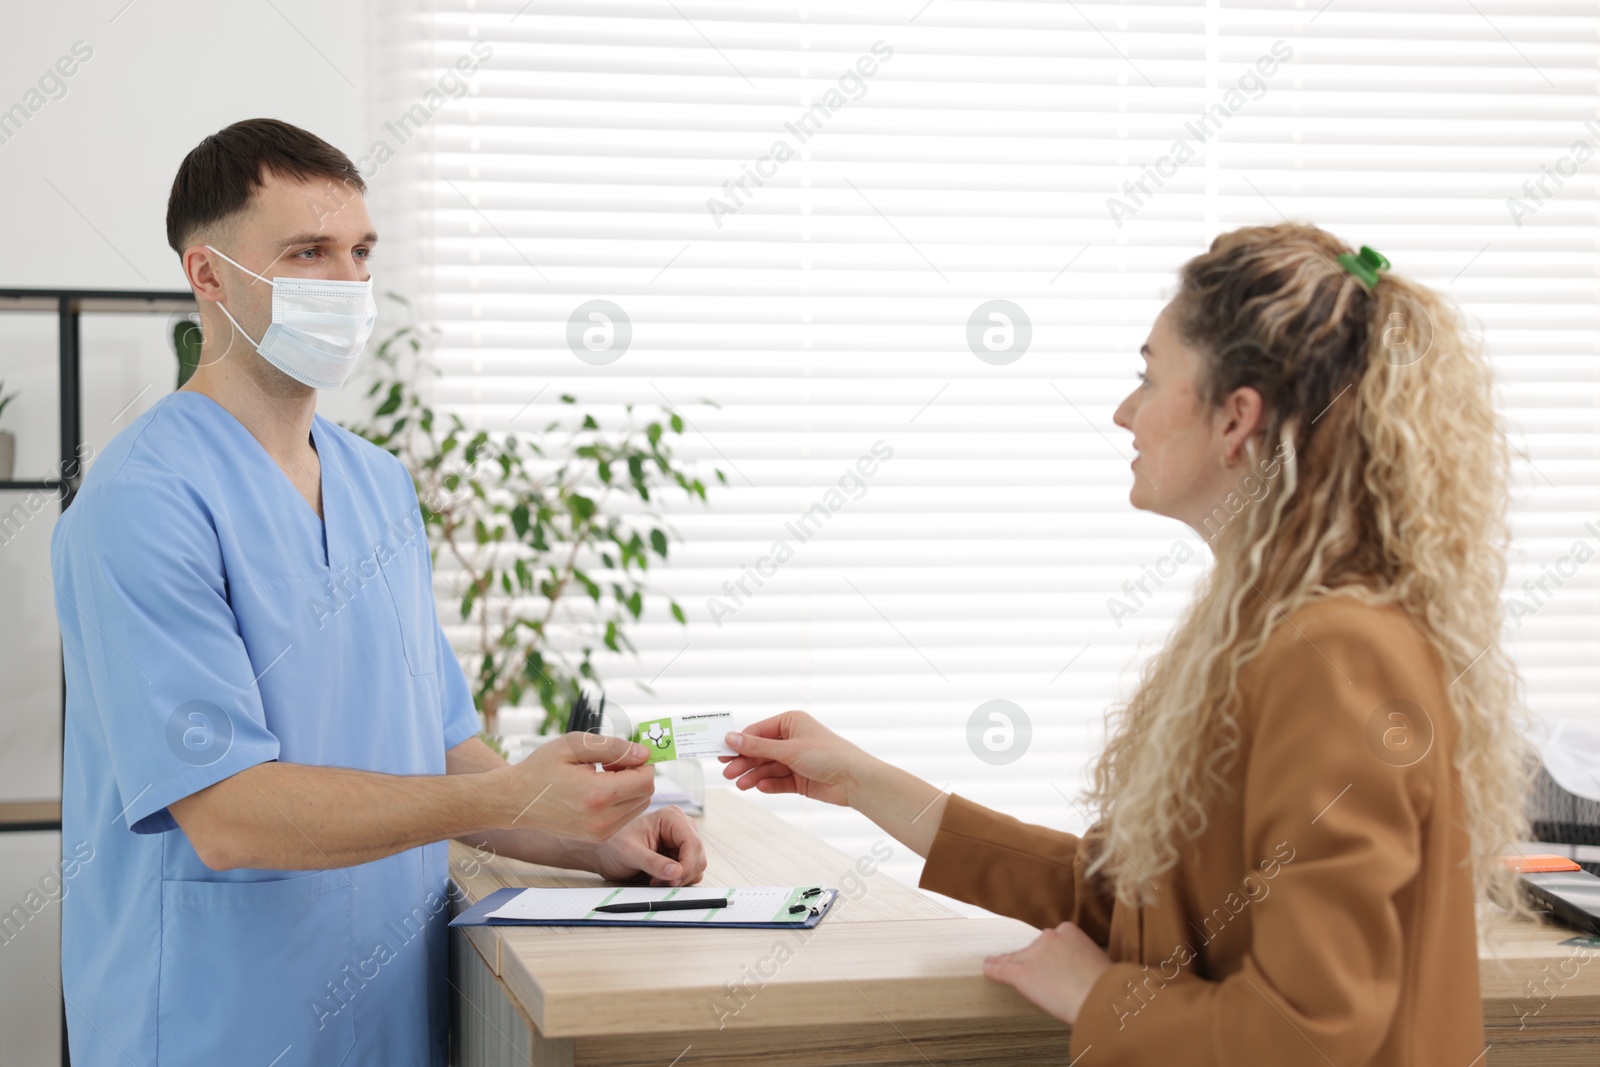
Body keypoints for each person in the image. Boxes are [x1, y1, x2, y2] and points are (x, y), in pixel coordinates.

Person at [720, 224, 1531, 1066]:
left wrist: (1096, 995)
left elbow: (1310, 1034)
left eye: (1148, 378)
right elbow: (1132, 899)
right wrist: (863, 782)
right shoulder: (1268, 626)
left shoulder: (1334, 654)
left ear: (1235, 419)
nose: (1122, 411)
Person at [50, 118, 705, 1067]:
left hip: (389, 1016)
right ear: (210, 276)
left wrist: (597, 840)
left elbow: (437, 751)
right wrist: (525, 798)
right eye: (307, 252)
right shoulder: (141, 503)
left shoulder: (378, 484)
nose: (348, 284)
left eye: (360, 252)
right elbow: (228, 815)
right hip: (213, 1024)